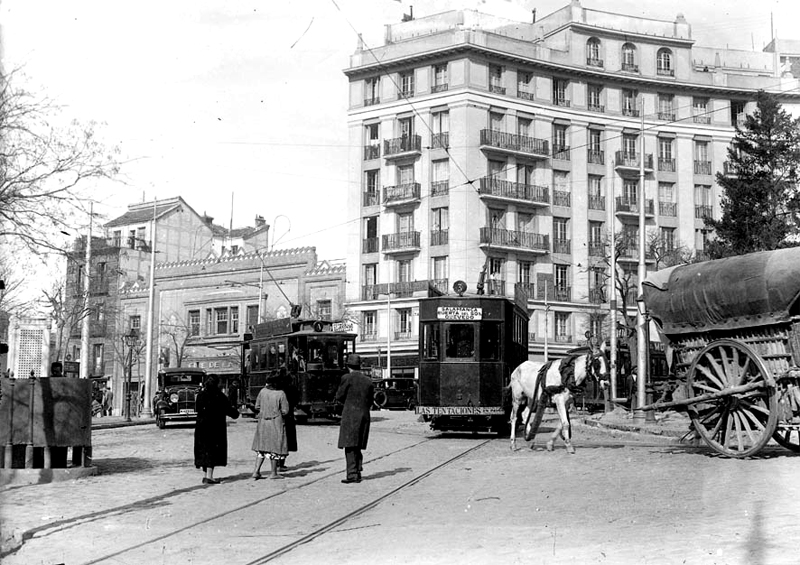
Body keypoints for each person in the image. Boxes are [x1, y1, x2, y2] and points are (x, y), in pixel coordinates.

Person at [335, 353, 374, 484]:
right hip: (364, 415)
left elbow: (339, 396)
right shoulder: (368, 380)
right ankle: (357, 470)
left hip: (351, 415)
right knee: (357, 444)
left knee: (350, 445)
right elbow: (370, 400)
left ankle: (352, 475)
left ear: (348, 366)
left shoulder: (346, 378)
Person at [194, 374, 240, 484]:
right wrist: (236, 413)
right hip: (215, 427)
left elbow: (198, 408)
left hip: (201, 426)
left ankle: (206, 475)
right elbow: (230, 411)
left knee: (204, 449)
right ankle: (209, 477)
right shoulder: (220, 396)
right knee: (212, 450)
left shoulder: (200, 395)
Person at [251, 373, 289, 480]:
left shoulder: (262, 391)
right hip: (276, 422)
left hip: (263, 422)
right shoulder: (281, 393)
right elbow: (285, 411)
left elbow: (257, 406)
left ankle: (256, 471)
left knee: (261, 448)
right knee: (275, 447)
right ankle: (273, 473)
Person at [277, 368, 299, 470]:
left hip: (276, 416)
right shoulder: (292, 388)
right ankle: (281, 463)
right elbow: (296, 401)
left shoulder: (276, 389)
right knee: (286, 440)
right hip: (288, 416)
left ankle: (275, 462)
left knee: (277, 440)